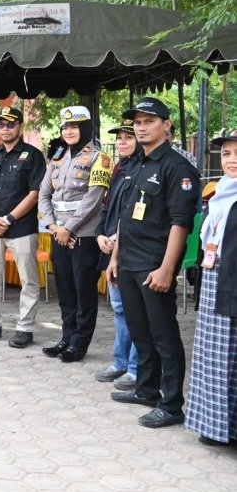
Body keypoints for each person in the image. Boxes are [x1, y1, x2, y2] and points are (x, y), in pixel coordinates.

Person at [107, 96, 199, 429]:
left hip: (154, 264)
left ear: (166, 125)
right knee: (140, 331)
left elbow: (181, 223)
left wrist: (166, 269)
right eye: (138, 122)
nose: (141, 128)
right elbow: (124, 215)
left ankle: (172, 404)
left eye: (149, 121)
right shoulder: (135, 163)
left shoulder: (177, 167)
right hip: (128, 262)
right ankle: (147, 389)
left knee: (164, 335)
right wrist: (115, 258)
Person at [38, 106, 111, 362]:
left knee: (84, 292)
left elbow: (94, 199)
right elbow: (44, 194)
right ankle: (66, 338)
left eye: (74, 126)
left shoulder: (100, 158)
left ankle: (80, 344)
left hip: (84, 236)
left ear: (86, 128)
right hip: (58, 233)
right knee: (66, 290)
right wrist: (53, 226)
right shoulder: (58, 157)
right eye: (65, 127)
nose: (69, 131)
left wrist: (68, 228)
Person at [0, 106, 46, 348]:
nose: (5, 129)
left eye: (10, 124)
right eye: (1, 125)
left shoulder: (33, 155)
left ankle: (25, 328)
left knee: (28, 280)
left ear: (20, 127)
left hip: (21, 227)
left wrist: (8, 219)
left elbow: (35, 193)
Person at [186, 128, 237, 446]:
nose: (231, 160)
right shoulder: (219, 192)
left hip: (233, 282)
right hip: (215, 277)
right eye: (227, 153)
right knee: (213, 355)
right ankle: (215, 426)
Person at [95, 119, 140, 388]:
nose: (122, 142)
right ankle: (120, 362)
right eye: (119, 137)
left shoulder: (143, 167)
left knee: (135, 312)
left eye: (128, 137)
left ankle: (135, 368)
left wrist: (116, 239)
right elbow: (107, 206)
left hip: (130, 249)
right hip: (110, 246)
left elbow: (133, 214)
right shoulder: (119, 168)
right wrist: (101, 234)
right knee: (120, 310)